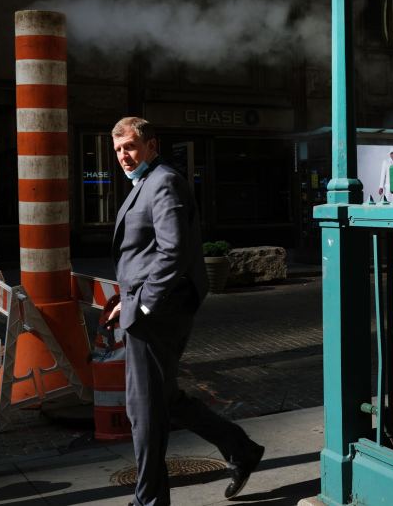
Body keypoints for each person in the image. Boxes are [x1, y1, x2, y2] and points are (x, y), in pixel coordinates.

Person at [108, 117, 264, 506]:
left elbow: (173, 250)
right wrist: (124, 303)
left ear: (151, 145)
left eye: (129, 147)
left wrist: (143, 304)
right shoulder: (146, 182)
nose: (123, 156)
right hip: (149, 308)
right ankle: (240, 449)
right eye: (117, 150)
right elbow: (145, 255)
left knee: (143, 410)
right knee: (164, 401)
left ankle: (149, 502)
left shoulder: (163, 181)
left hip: (158, 314)